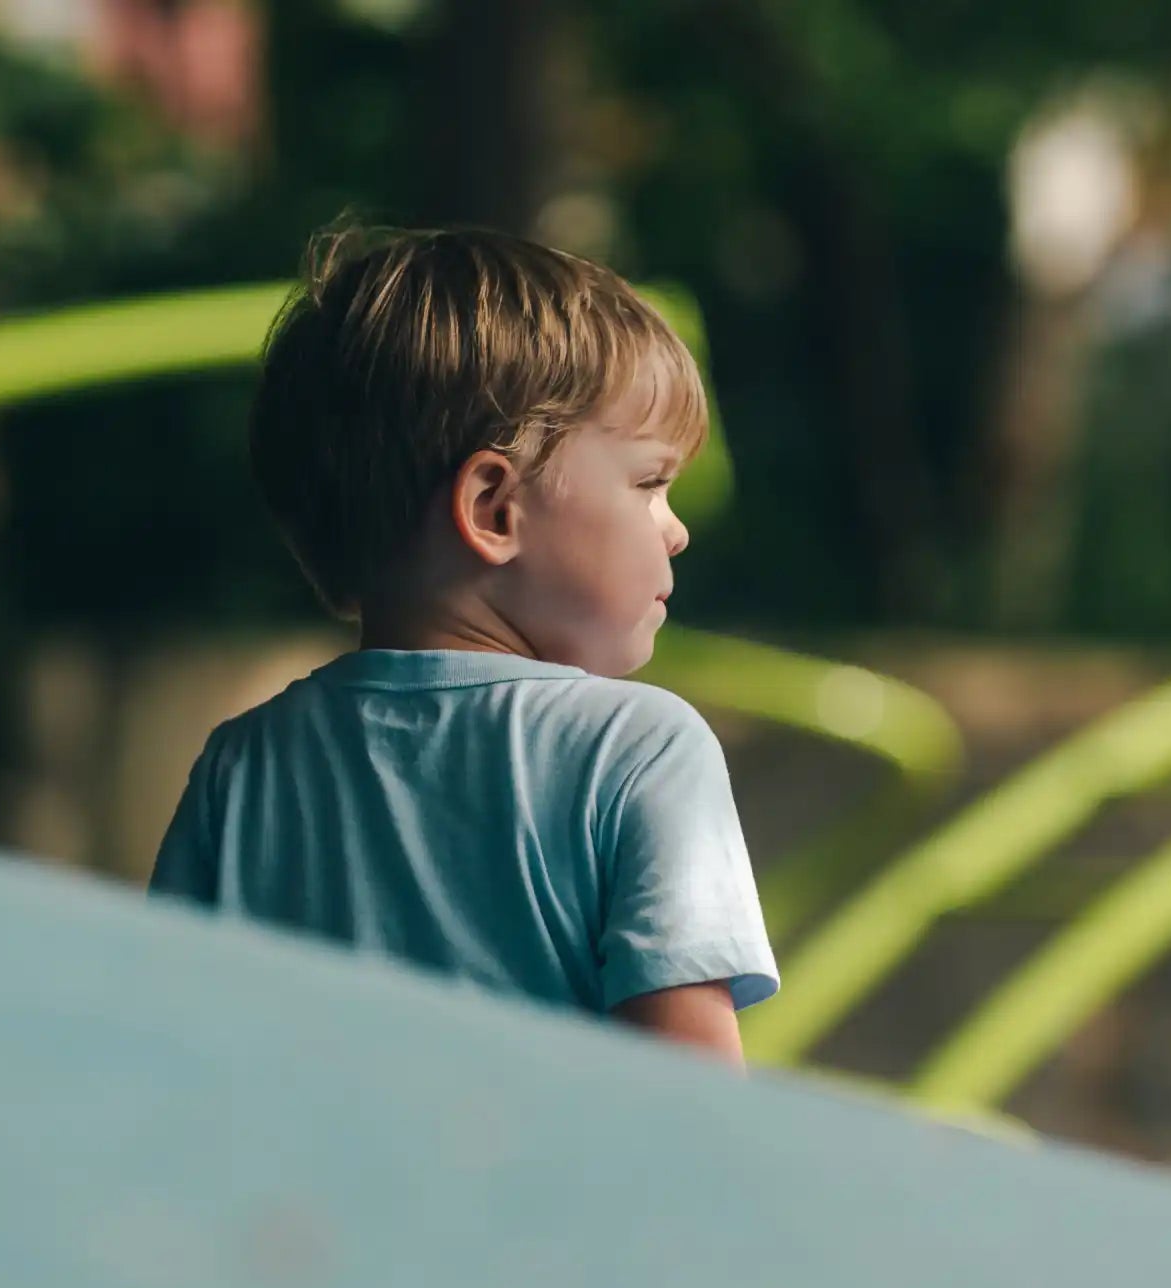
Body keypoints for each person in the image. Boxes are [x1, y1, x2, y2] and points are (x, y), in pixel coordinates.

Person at [149, 226, 777, 1066]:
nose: (677, 530)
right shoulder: (642, 751)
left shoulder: (241, 769)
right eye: (649, 483)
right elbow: (696, 1108)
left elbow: (168, 1056)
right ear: (493, 507)